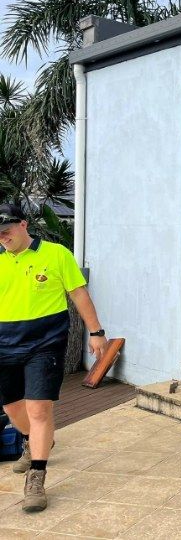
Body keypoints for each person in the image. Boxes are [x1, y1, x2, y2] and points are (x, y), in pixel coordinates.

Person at [0, 203, 109, 513]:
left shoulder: (56, 254)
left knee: (38, 408)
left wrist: (97, 332)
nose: (2, 236)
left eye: (7, 229)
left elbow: (78, 293)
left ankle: (37, 475)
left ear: (23, 224)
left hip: (44, 343)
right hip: (3, 343)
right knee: (12, 408)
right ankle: (30, 440)